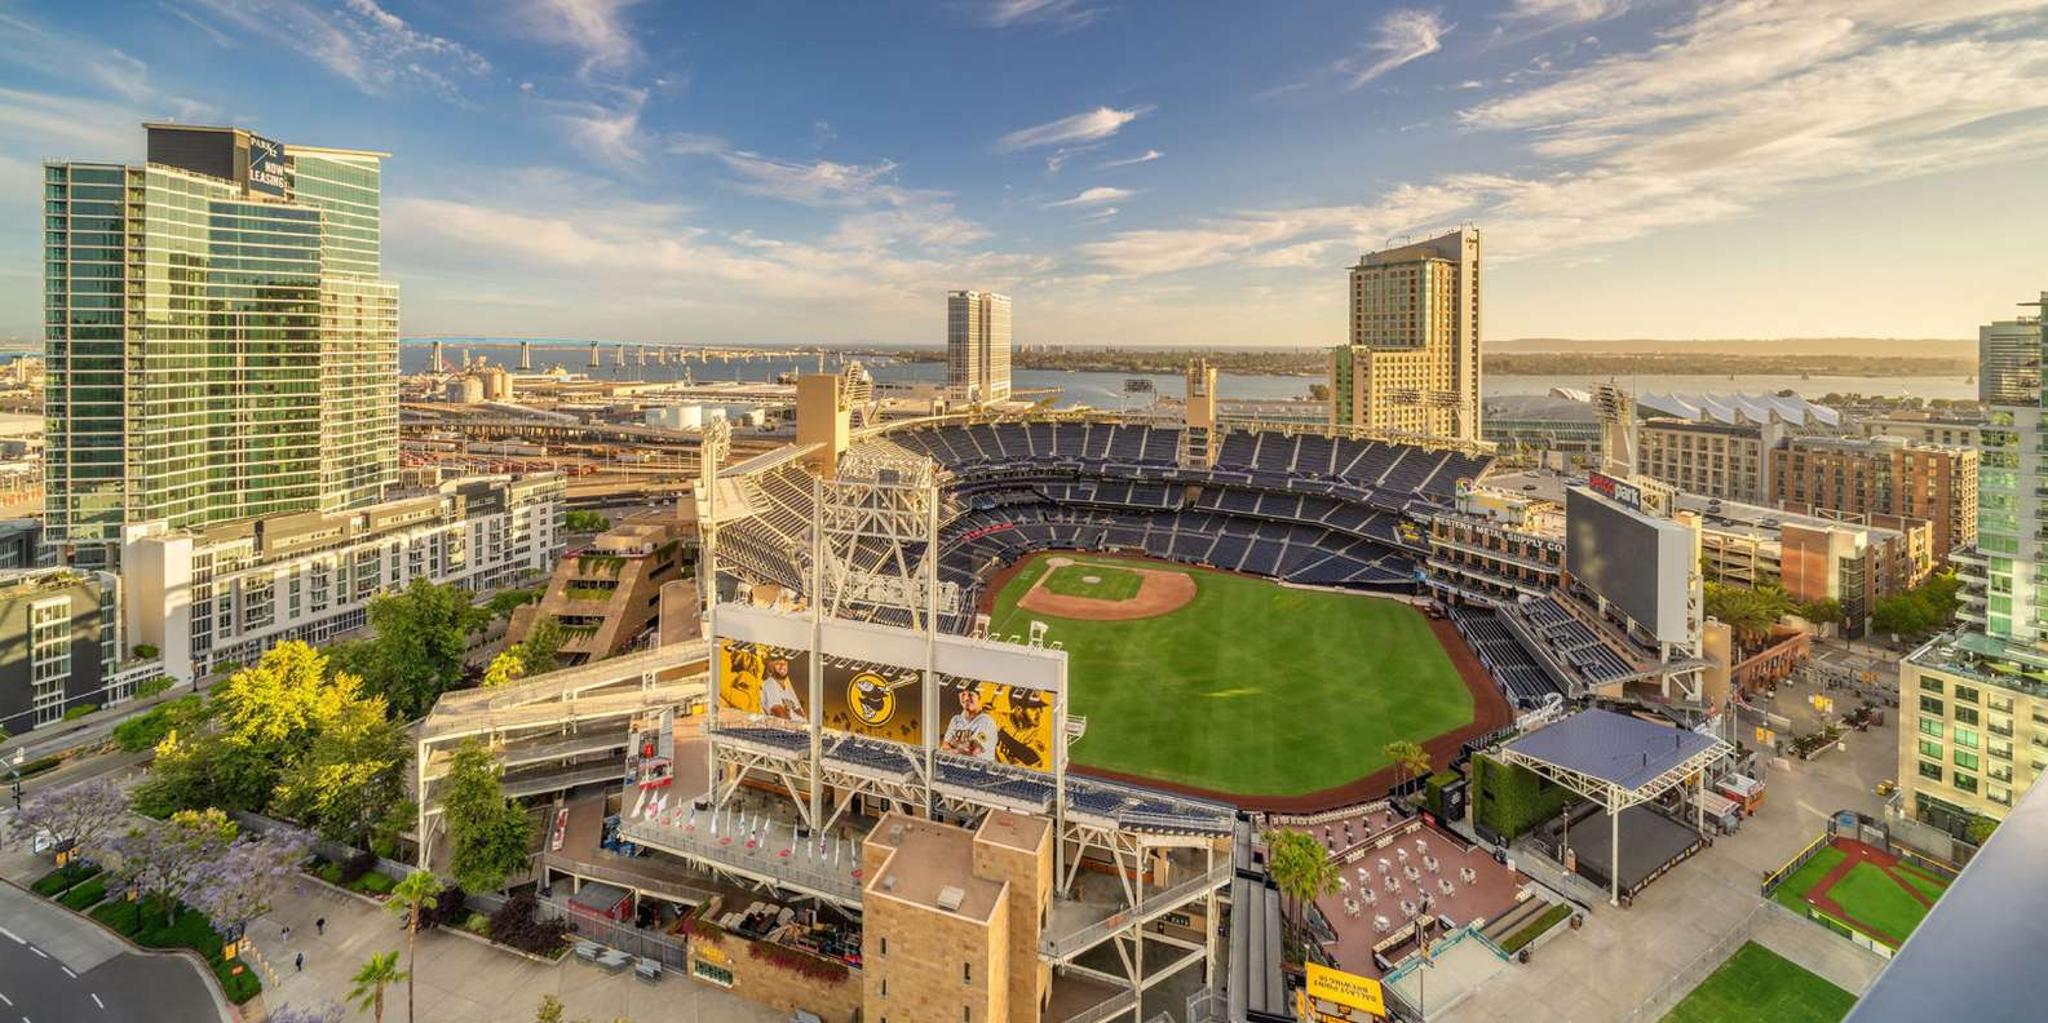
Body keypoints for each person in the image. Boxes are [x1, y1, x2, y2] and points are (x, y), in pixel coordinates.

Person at [940, 684, 999, 761]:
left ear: (979, 697)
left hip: (979, 770)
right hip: (955, 767)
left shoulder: (986, 721)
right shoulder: (955, 720)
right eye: (963, 694)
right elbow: (944, 748)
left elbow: (975, 751)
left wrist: (955, 744)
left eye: (971, 694)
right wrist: (964, 747)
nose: (966, 698)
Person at [761, 655, 803, 722]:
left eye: (785, 663)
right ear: (770, 667)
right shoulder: (770, 684)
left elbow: (802, 716)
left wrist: (790, 714)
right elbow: (780, 714)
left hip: (793, 729)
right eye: (778, 663)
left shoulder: (789, 690)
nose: (782, 666)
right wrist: (794, 716)